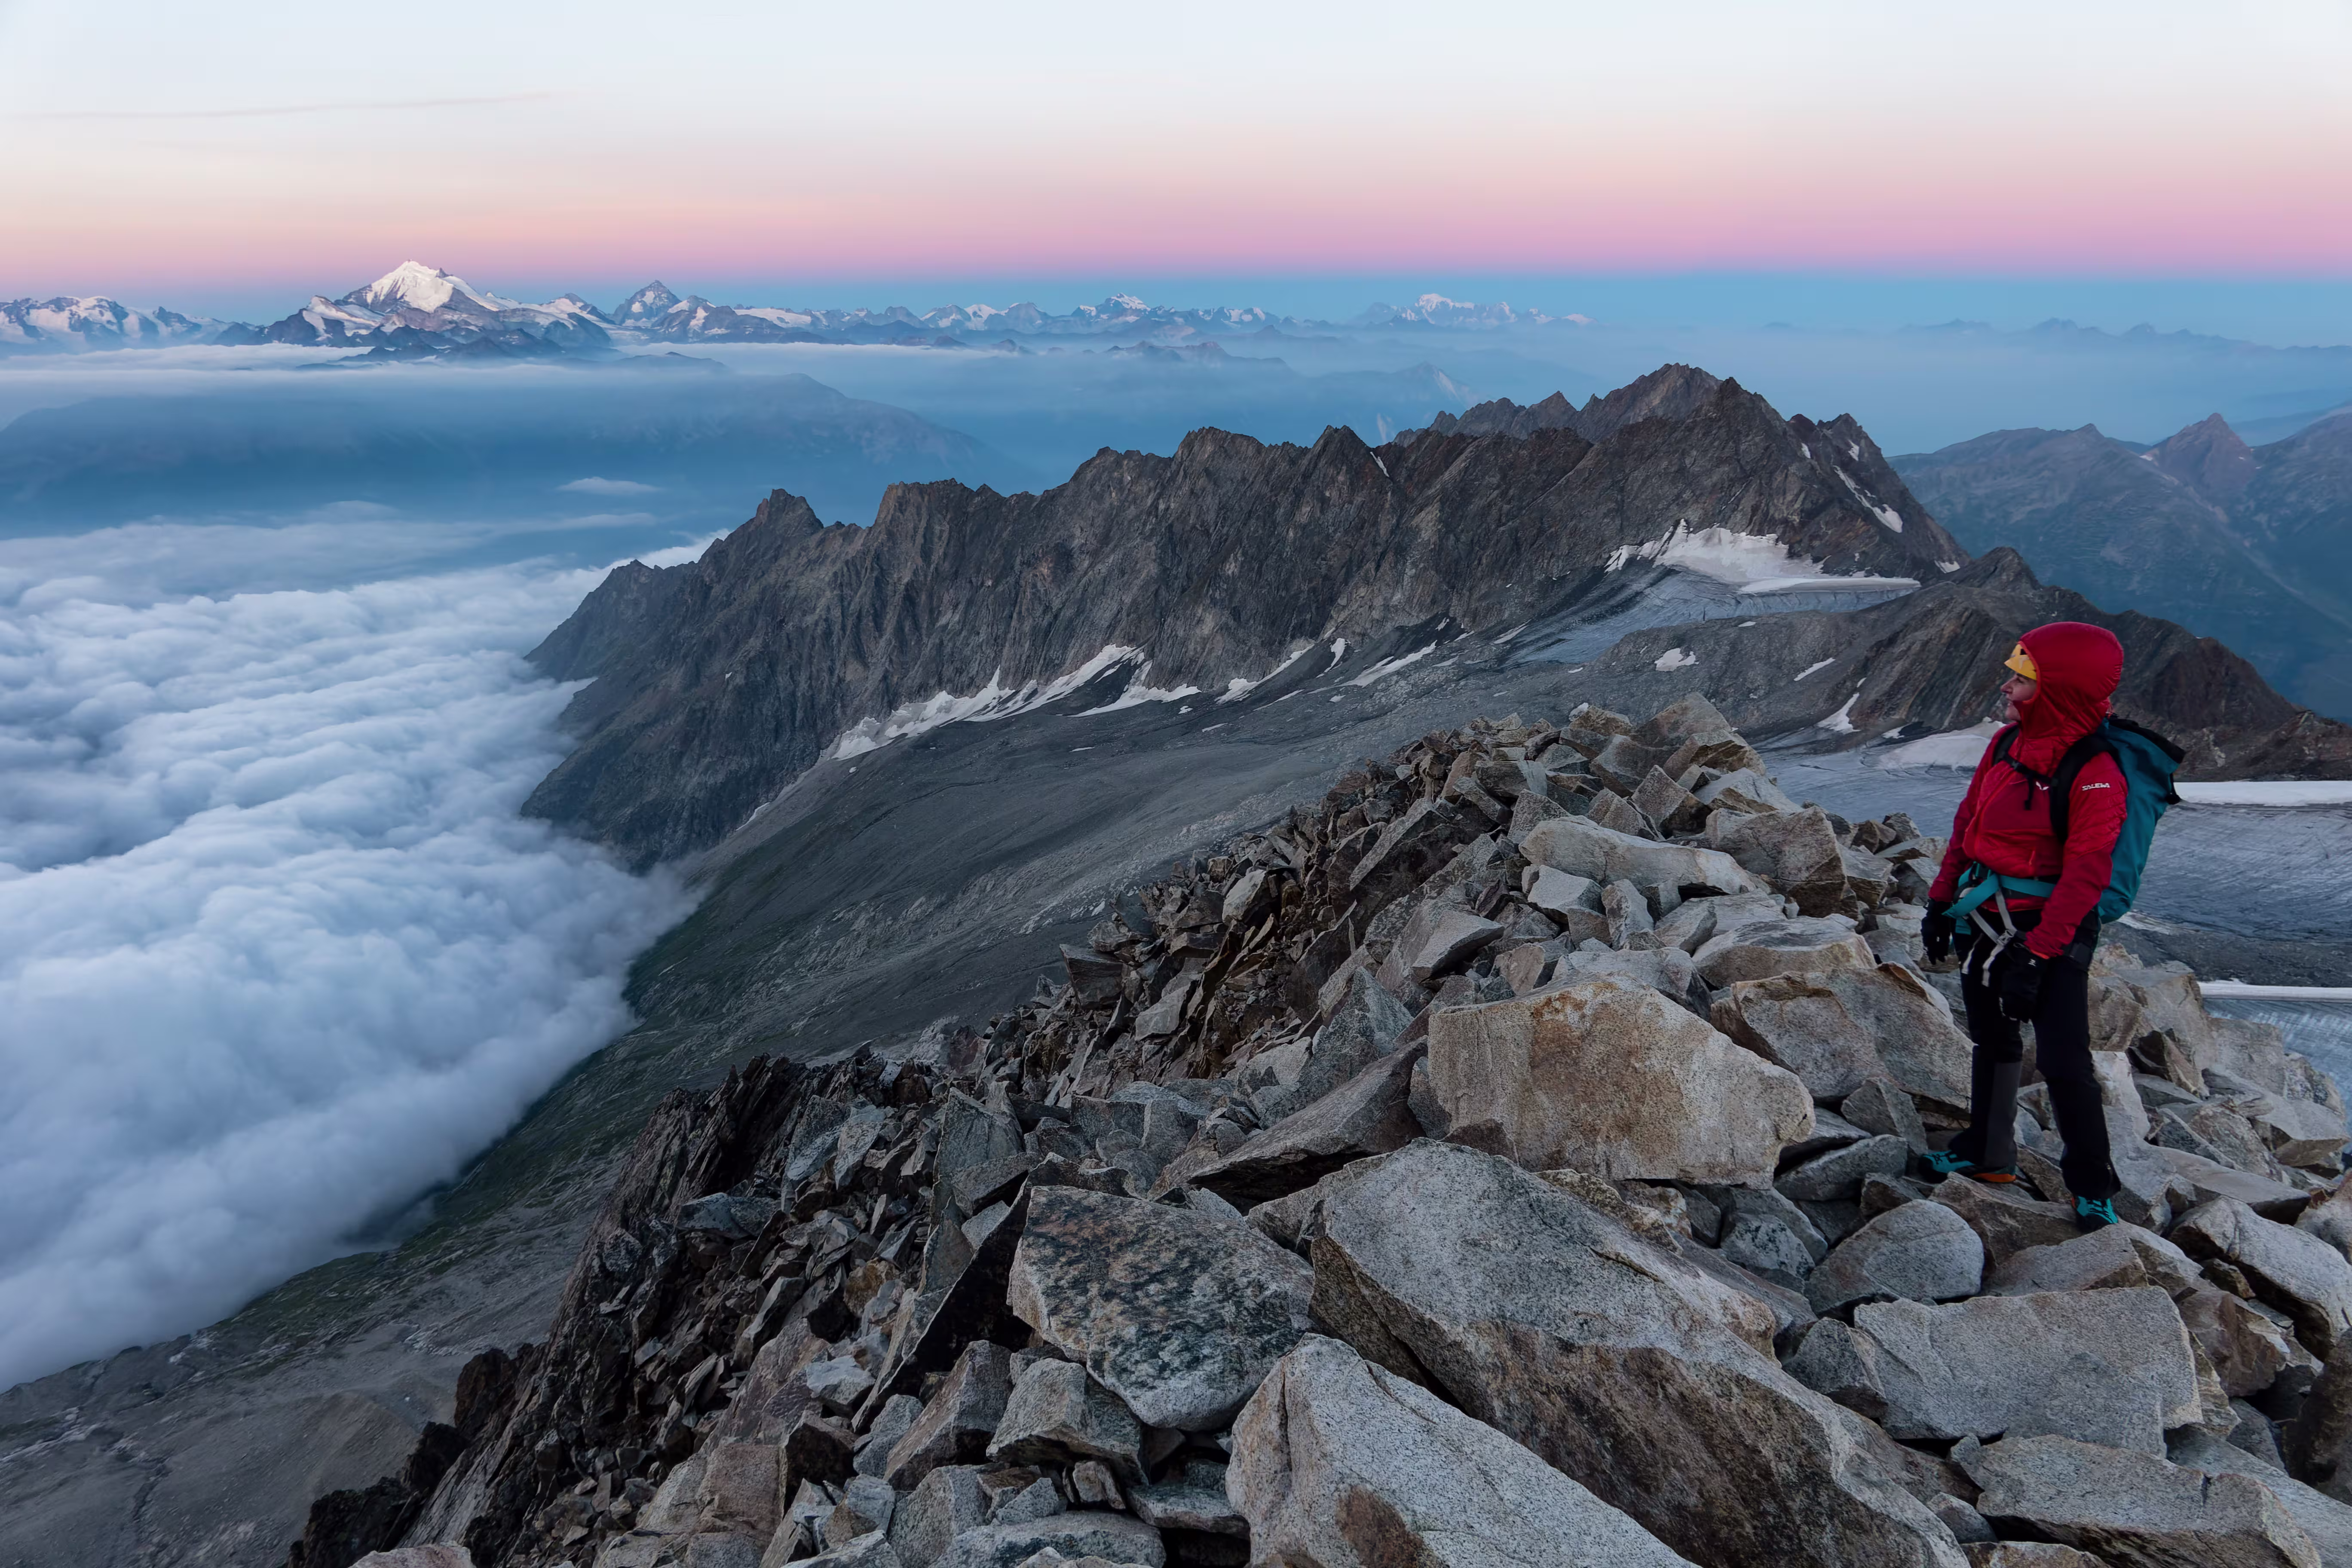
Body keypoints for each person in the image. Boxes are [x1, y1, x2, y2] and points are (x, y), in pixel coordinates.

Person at [1919, 622, 2128, 1230]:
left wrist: (2038, 955)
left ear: (2058, 691)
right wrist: (1939, 900)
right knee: (1993, 1040)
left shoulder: (2096, 770)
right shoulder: (2006, 746)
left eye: (2023, 680)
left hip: (2049, 931)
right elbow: (1968, 824)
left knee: (2064, 1061)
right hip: (1985, 916)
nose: (2007, 688)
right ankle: (1989, 1154)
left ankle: (2092, 1185)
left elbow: (2086, 876)